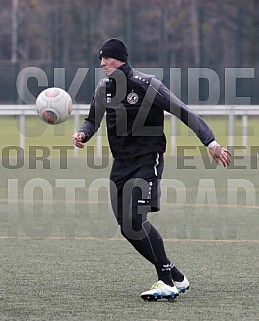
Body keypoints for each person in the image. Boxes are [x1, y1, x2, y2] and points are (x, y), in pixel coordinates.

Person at [72, 38, 231, 301]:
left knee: (136, 220)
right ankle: (176, 276)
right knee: (127, 227)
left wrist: (210, 142)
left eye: (107, 58)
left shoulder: (147, 85)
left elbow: (184, 112)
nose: (102, 63)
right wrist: (83, 134)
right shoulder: (103, 88)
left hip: (147, 160)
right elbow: (92, 121)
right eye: (100, 59)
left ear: (120, 58)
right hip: (120, 165)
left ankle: (165, 281)